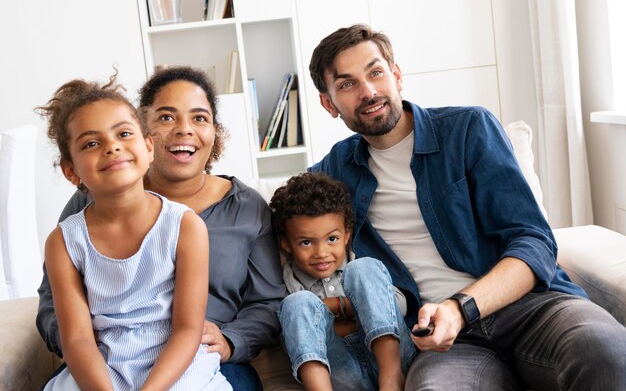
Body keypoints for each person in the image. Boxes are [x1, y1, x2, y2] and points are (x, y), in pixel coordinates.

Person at [307, 23, 626, 391]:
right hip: (443, 343)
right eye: (347, 84)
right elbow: (269, 220)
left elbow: (534, 242)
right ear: (329, 103)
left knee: (608, 349)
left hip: (532, 308)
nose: (369, 91)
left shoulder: (468, 129)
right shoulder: (333, 173)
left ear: (396, 75)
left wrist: (461, 308)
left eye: (376, 72)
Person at [37, 66, 287, 391]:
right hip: (105, 358)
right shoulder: (86, 207)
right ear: (149, 133)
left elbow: (269, 302)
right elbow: (52, 302)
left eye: (199, 118)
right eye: (167, 117)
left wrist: (230, 340)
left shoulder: (239, 209)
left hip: (198, 356)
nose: (184, 129)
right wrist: (80, 336)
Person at [270, 172, 416, 391]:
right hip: (339, 373)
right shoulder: (286, 283)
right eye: (306, 242)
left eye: (332, 239)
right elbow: (294, 334)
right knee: (296, 303)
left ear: (346, 234)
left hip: (391, 360)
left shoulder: (359, 265)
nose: (321, 253)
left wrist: (336, 306)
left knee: (363, 268)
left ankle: (392, 378)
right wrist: (352, 307)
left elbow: (398, 306)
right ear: (286, 244)